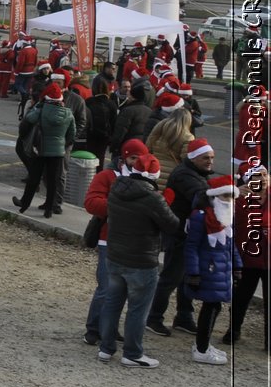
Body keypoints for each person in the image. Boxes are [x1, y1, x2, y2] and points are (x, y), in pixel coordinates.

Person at [99, 154, 179, 368]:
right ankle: (132, 353)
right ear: (155, 174)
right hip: (141, 261)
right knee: (138, 309)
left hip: (115, 256)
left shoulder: (116, 188)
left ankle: (105, 348)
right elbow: (172, 225)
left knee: (112, 303)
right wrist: (168, 202)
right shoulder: (153, 198)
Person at [82, 139, 149, 346]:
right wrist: (120, 208)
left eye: (140, 158)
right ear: (124, 158)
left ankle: (109, 328)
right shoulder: (107, 176)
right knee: (106, 287)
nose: (136, 162)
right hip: (108, 240)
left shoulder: (147, 180)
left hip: (134, 242)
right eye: (133, 158)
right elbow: (91, 202)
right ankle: (93, 329)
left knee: (124, 290)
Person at [151, 135, 214, 339]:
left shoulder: (195, 172)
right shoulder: (186, 176)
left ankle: (184, 317)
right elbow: (201, 197)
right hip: (180, 234)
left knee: (187, 277)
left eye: (212, 157)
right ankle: (154, 317)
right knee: (171, 277)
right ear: (194, 158)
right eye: (206, 158)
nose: (210, 161)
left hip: (187, 233)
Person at [182, 174, 241, 365]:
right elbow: (191, 246)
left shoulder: (225, 216)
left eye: (232, 197)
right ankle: (201, 349)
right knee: (211, 307)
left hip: (221, 270)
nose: (229, 201)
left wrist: (237, 265)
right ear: (214, 196)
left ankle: (204, 345)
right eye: (225, 196)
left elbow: (231, 245)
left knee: (215, 307)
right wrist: (193, 272)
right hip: (208, 269)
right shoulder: (201, 218)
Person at [224, 163, 270, 351]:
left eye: (266, 174)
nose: (265, 178)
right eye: (260, 175)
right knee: (241, 297)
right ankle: (233, 330)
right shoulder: (238, 200)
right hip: (247, 257)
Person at [15, 82, 76, 218]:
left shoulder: (41, 110)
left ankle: (24, 204)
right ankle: (49, 209)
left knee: (34, 178)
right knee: (53, 180)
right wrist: (62, 145)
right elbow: (72, 134)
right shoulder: (68, 113)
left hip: (41, 149)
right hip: (59, 152)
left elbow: (28, 119)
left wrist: (38, 105)